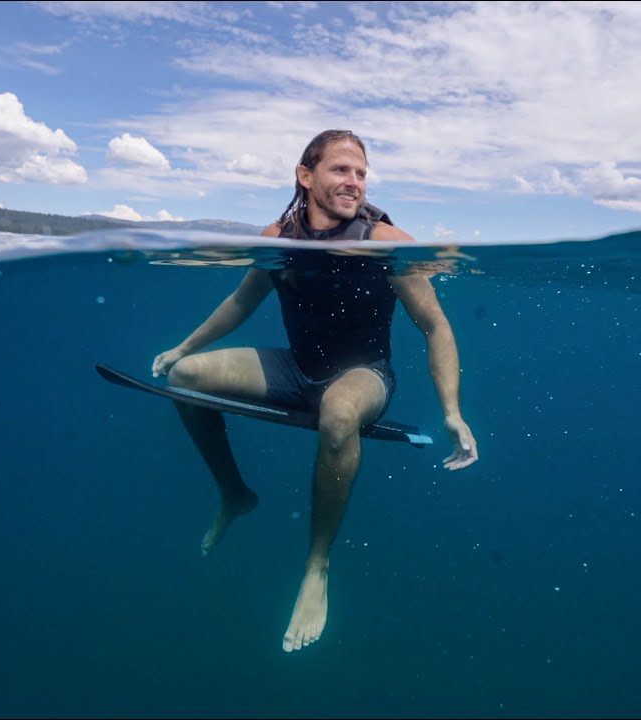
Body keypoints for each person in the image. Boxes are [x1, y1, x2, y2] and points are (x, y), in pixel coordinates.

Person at [151, 129, 479, 653]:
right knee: (185, 378)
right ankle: (234, 494)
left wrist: (452, 411)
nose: (354, 182)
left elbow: (436, 326)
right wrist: (181, 348)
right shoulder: (278, 236)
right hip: (295, 370)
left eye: (361, 173)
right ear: (306, 177)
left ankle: (317, 565)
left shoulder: (384, 243)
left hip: (364, 377)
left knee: (339, 410)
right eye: (341, 170)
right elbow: (242, 302)